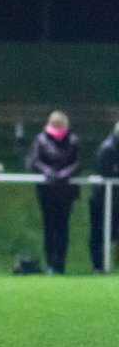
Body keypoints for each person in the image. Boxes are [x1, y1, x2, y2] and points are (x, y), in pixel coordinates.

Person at [28, 110, 80, 275]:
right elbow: (35, 160)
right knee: (49, 227)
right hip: (47, 191)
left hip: (66, 192)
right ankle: (51, 263)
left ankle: (60, 264)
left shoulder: (73, 140)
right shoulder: (41, 140)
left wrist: (64, 174)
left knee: (63, 227)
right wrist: (48, 172)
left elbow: (78, 162)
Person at [88, 121, 119, 273]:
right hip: (101, 198)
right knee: (98, 233)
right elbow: (105, 172)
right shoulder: (107, 148)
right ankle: (98, 266)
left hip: (115, 198)